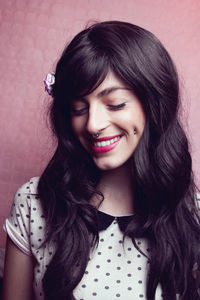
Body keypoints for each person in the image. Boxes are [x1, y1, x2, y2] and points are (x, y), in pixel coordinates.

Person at [2, 21, 200, 300]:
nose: (93, 124)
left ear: (154, 104)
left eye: (115, 104)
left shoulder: (192, 213)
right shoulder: (33, 204)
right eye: (79, 108)